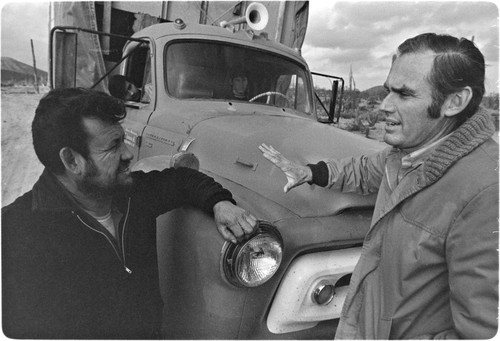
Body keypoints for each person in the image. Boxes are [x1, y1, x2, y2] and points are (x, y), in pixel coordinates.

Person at [260, 33, 498, 339]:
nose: (384, 105)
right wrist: (310, 172)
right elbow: (363, 169)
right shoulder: (406, 155)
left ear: (455, 101)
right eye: (388, 91)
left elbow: (481, 332)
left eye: (404, 94)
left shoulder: (487, 193)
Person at [2, 88, 258, 339]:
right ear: (71, 161)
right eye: (113, 146)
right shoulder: (18, 231)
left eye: (123, 140)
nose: (128, 154)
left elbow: (182, 180)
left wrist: (220, 203)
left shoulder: (131, 193)